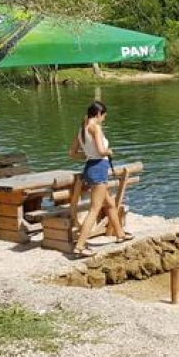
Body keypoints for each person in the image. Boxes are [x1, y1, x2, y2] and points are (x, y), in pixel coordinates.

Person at [68, 100, 132, 257]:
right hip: (99, 169)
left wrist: (89, 155)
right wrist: (109, 151)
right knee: (94, 209)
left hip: (90, 167)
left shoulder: (82, 129)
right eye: (104, 116)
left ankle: (120, 235)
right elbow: (101, 150)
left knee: (109, 204)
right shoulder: (95, 127)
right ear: (98, 114)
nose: (104, 119)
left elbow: (72, 153)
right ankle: (80, 246)